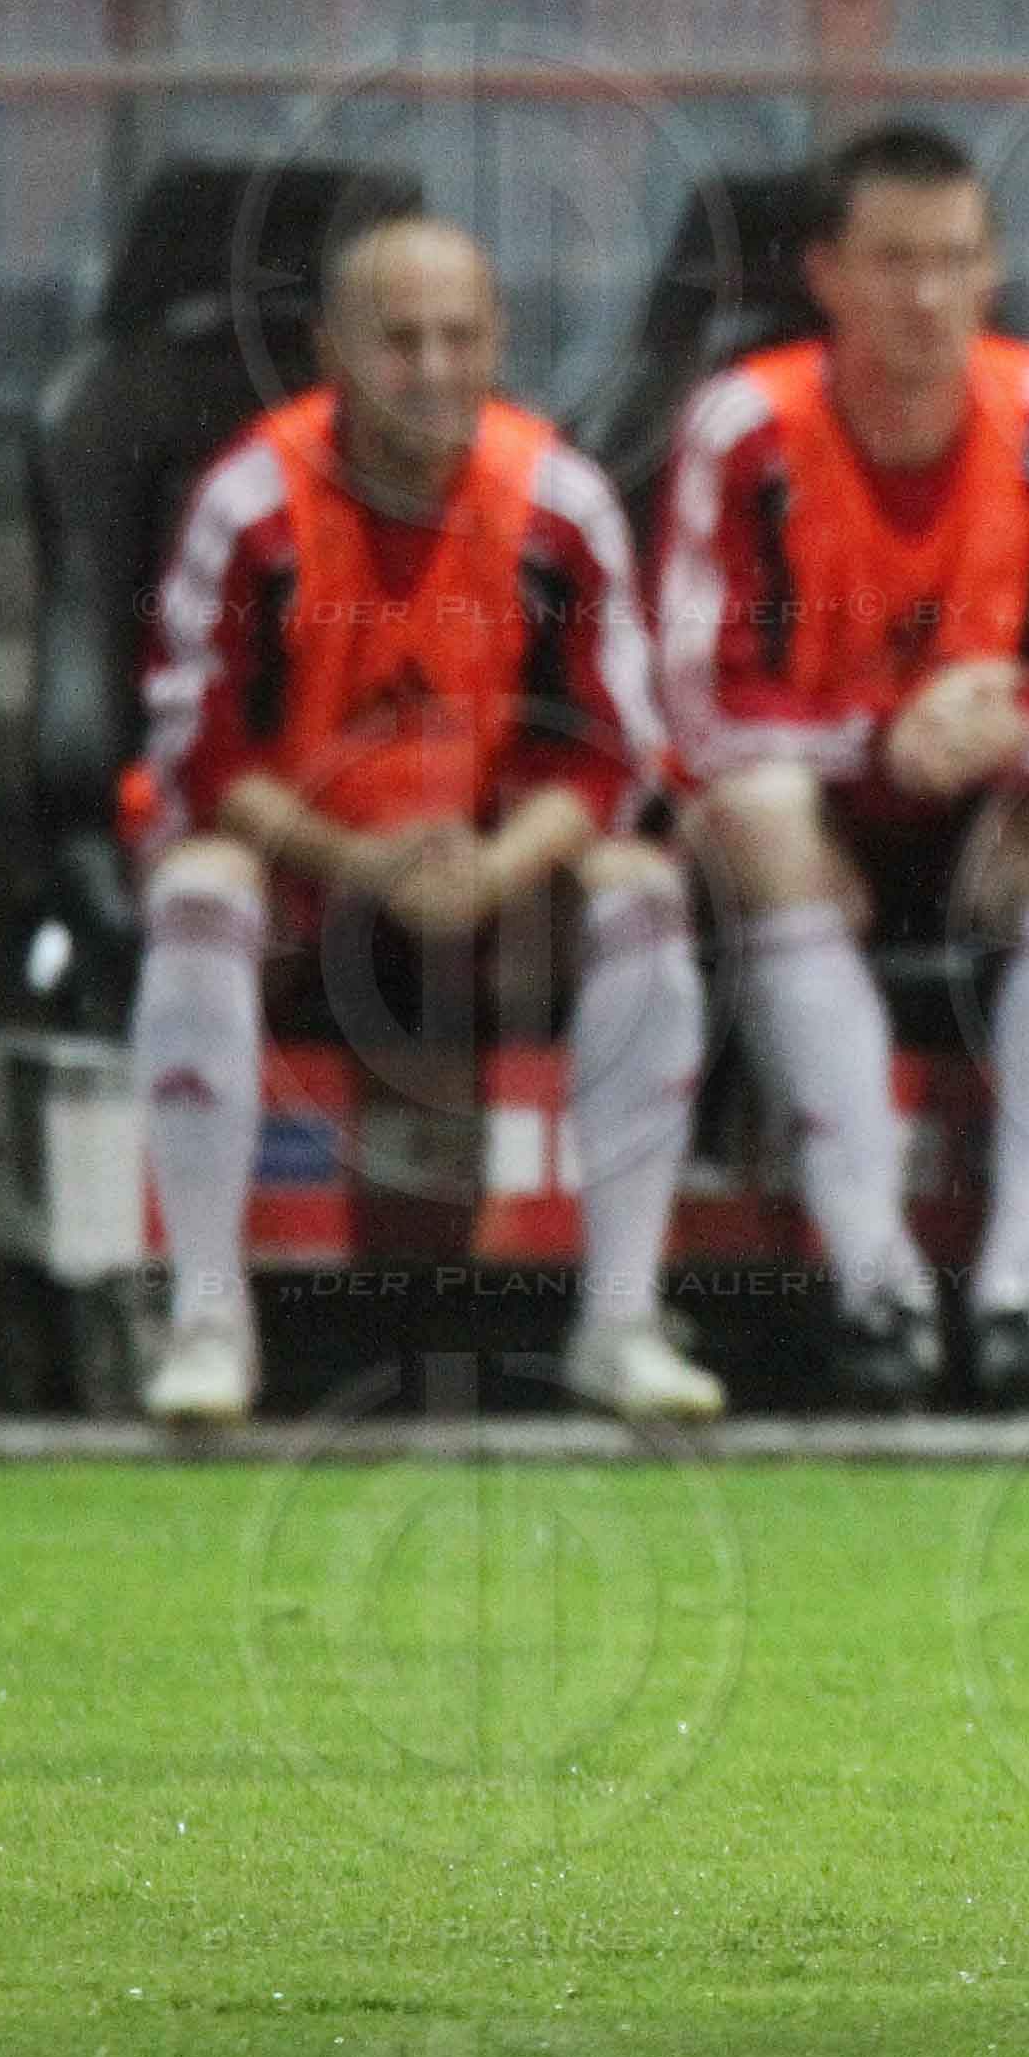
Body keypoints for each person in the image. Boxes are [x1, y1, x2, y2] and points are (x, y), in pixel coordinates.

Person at [129, 217, 715, 1425]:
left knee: (647, 895)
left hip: (492, 879)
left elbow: (615, 754)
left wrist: (492, 867)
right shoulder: (253, 502)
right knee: (196, 886)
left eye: (460, 336)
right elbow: (203, 753)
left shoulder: (558, 502)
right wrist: (360, 862)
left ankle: (622, 1321)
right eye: (401, 342)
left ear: (498, 341)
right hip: (304, 862)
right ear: (331, 350)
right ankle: (204, 1320)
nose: (437, 368)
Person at [662, 120, 1029, 1413]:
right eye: (892, 261)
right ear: (826, 271)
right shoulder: (747, 426)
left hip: (991, 815)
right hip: (820, 814)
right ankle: (875, 1287)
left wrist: (1008, 737)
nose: (926, 294)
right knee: (755, 810)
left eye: (954, 259)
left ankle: (1019, 1298)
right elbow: (693, 696)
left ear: (993, 268)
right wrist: (879, 743)